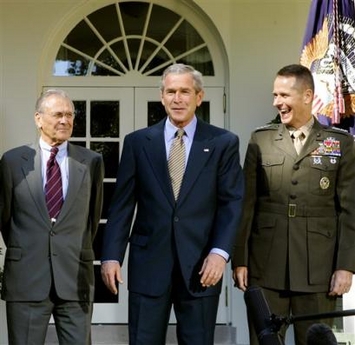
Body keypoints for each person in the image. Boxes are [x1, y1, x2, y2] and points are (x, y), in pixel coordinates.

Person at [101, 63, 244, 345]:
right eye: (171, 92)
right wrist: (111, 256)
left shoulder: (222, 142)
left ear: (199, 97)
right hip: (148, 266)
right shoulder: (138, 142)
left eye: (184, 91)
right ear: (162, 97)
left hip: (202, 266)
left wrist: (220, 253)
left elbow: (232, 203)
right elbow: (122, 206)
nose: (177, 98)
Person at [232, 64, 355, 345]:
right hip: (266, 266)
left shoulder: (340, 143)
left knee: (315, 341)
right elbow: (245, 204)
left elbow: (350, 211)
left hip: (319, 269)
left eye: (285, 95)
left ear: (307, 96)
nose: (277, 102)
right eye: (275, 95)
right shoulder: (260, 140)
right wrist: (240, 260)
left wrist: (345, 266)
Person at [0, 89, 104, 345]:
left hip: (75, 276)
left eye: (69, 115)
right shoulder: (13, 161)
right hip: (26, 278)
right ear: (38, 119)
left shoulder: (91, 161)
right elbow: (5, 218)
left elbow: (93, 218)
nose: (65, 120)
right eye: (58, 114)